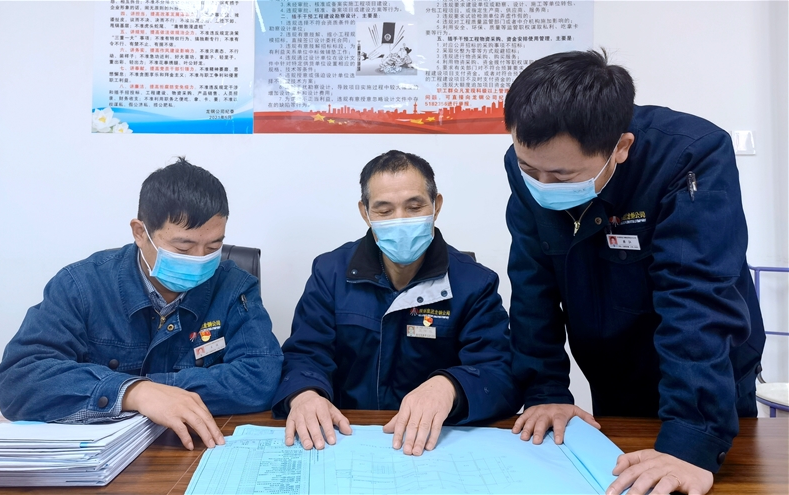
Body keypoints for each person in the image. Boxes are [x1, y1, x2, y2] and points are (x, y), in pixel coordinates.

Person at [502, 50, 765, 495]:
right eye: (530, 169)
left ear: (620, 148)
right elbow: (532, 285)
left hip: (707, 379)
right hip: (614, 368)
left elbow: (697, 297)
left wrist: (692, 441)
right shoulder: (528, 167)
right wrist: (545, 391)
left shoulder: (690, 155)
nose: (542, 186)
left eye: (562, 177)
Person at [0, 158, 283, 451]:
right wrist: (135, 392)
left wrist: (161, 389)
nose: (199, 259)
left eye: (213, 247)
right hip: (102, 458)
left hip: (192, 451)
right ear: (140, 233)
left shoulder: (234, 286)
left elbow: (262, 376)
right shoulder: (81, 286)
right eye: (183, 247)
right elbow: (18, 380)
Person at [273, 150, 520, 456]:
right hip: (345, 438)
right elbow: (305, 354)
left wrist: (451, 386)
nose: (400, 220)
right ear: (365, 213)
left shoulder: (474, 283)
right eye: (384, 210)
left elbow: (500, 374)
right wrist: (304, 393)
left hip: (434, 444)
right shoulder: (330, 273)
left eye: (414, 207)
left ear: (436, 206)